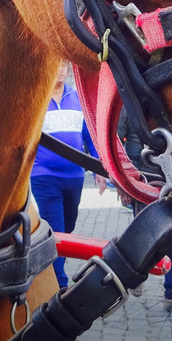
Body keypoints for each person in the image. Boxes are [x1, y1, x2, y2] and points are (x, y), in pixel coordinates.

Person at [30, 63, 101, 289]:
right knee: (57, 230)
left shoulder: (77, 98)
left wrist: (100, 169)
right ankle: (59, 284)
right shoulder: (37, 100)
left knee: (67, 227)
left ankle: (53, 267)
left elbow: (90, 135)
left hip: (75, 177)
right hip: (44, 177)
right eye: (56, 65)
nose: (60, 69)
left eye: (63, 66)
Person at [118, 126, 172, 316]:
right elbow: (118, 144)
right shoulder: (128, 105)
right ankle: (135, 278)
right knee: (143, 237)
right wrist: (123, 182)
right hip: (142, 183)